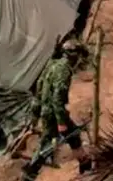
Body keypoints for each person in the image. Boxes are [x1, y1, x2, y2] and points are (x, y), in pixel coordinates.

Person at [24, 40, 91, 179]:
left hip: (48, 110)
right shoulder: (64, 71)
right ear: (74, 56)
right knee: (47, 144)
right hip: (53, 114)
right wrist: (61, 123)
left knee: (73, 136)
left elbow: (39, 89)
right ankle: (30, 172)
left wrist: (35, 114)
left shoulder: (52, 64)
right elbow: (57, 100)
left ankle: (85, 165)